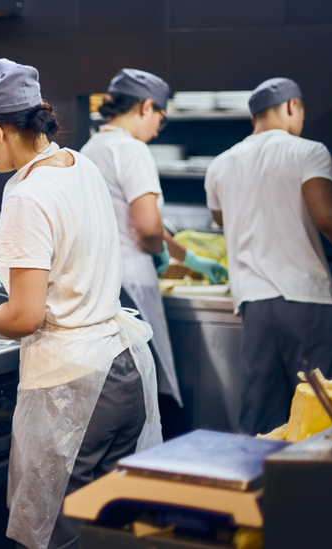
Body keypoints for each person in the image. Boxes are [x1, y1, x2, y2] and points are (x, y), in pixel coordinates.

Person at [0, 58, 162, 549]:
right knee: (109, 534)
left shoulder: (26, 192)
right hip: (122, 368)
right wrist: (1, 270)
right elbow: (70, 254)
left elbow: (24, 317)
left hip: (76, 391)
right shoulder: (77, 163)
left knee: (56, 537)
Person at [204, 77, 332, 435]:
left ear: (253, 118)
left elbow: (221, 219)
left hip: (255, 306)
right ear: (292, 107)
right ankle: (321, 490)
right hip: (306, 302)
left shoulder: (220, 165)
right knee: (327, 416)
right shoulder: (307, 151)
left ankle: (259, 489)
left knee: (262, 422)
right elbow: (327, 218)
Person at [80, 69, 228, 412]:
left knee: (113, 384)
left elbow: (136, 221)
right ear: (146, 107)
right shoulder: (132, 151)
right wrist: (160, 254)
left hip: (98, 280)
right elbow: (147, 229)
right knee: (146, 381)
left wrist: (186, 257)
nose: (158, 128)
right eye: (160, 116)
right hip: (131, 281)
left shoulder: (90, 148)